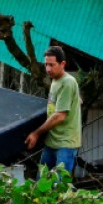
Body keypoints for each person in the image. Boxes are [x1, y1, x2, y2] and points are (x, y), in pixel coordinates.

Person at [25, 46, 82, 176]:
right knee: (41, 183)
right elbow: (76, 99)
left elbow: (60, 116)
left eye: (52, 65)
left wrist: (36, 133)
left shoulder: (67, 82)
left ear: (62, 64)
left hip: (65, 144)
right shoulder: (56, 80)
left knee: (58, 186)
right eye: (46, 64)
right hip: (52, 141)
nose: (48, 69)